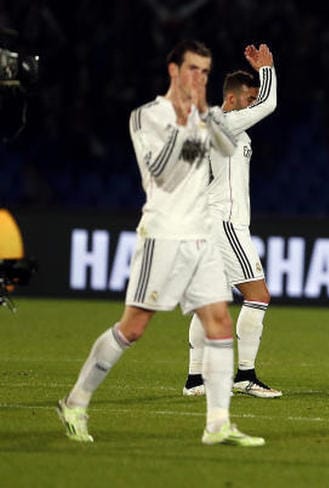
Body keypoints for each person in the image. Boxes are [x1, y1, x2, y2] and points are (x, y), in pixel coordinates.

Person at [56, 40, 264, 446]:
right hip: (163, 233)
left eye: (205, 72)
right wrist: (189, 125)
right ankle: (75, 401)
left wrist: (204, 117)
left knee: (219, 321)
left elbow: (226, 147)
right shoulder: (146, 117)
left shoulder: (206, 118)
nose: (199, 79)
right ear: (174, 71)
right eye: (192, 70)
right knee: (133, 327)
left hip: (202, 232)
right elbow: (160, 172)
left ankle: (218, 423)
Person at [182, 44, 280, 399]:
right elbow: (270, 103)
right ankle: (245, 375)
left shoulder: (226, 127)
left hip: (213, 219)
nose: (255, 104)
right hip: (224, 222)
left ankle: (195, 380)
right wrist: (268, 69)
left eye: (255, 97)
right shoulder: (224, 122)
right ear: (234, 100)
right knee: (258, 295)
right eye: (249, 98)